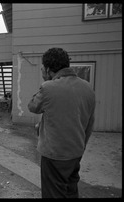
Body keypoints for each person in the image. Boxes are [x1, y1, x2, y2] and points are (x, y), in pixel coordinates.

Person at [27, 47, 95, 198]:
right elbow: (90, 123)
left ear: (48, 69)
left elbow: (32, 106)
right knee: (70, 191)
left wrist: (46, 81)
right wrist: (81, 146)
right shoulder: (88, 88)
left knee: (53, 193)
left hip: (54, 156)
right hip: (76, 152)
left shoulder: (48, 87)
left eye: (43, 69)